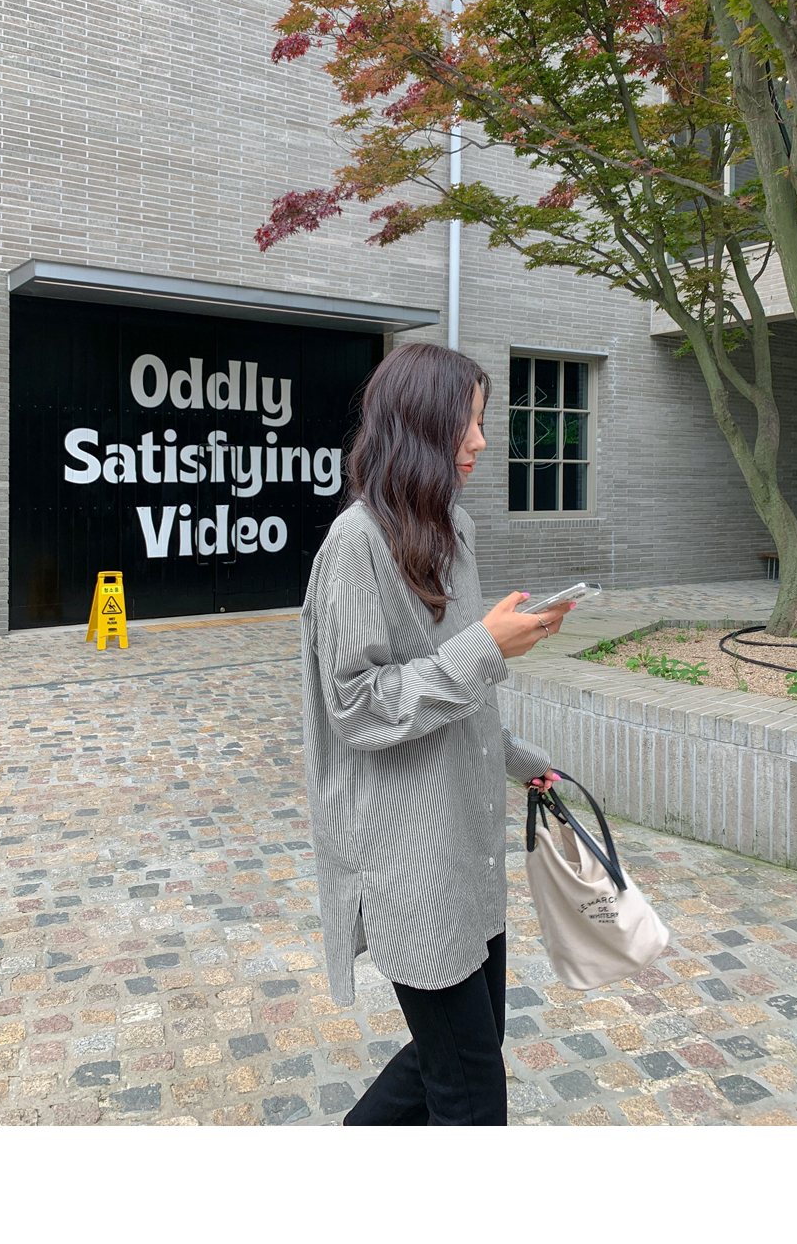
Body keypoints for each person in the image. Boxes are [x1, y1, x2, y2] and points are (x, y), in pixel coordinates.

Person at [300, 342, 574, 1126]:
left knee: (454, 1056)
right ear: (418, 425)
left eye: (483, 421)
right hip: (410, 862)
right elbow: (358, 706)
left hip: (469, 849)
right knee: (472, 1095)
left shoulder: (453, 526)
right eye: (467, 423)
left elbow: (456, 686)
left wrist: (522, 760)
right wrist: (487, 646)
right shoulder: (355, 544)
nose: (482, 441)